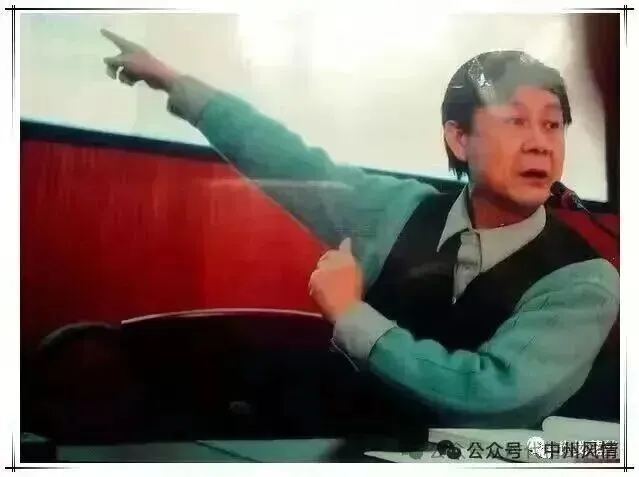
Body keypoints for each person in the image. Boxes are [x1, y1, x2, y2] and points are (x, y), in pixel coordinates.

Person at [101, 29, 619, 429]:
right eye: (515, 121)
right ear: (459, 139)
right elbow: (288, 160)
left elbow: (489, 399)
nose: (540, 143)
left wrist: (351, 315)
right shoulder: (397, 209)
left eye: (552, 124)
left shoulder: (584, 280)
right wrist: (174, 82)